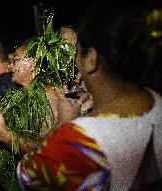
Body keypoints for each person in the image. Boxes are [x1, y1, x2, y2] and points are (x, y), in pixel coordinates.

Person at [16, 2, 162, 190]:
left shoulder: (76, 139)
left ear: (91, 58)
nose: (74, 61)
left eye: (76, 52)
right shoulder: (157, 101)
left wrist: (62, 124)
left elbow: (26, 177)